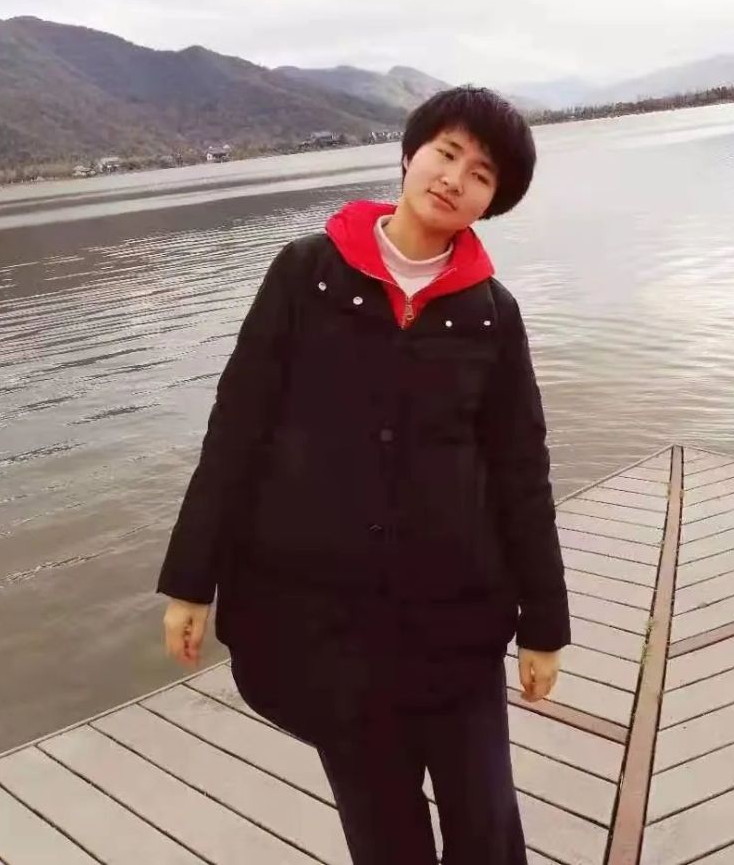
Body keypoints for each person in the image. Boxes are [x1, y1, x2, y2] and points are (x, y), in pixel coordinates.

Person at [157, 85, 570, 865]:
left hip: (455, 622)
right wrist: (190, 581)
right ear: (410, 154)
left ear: (493, 201)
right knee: (384, 835)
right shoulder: (305, 274)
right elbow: (236, 431)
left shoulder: (492, 313)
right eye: (447, 152)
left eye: (481, 173)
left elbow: (523, 473)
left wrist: (543, 625)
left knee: (486, 824)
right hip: (330, 630)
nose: (454, 178)